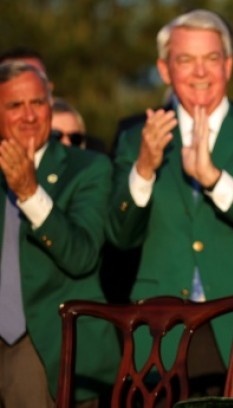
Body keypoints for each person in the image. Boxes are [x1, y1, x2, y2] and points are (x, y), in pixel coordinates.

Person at [106, 9, 233, 396]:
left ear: (228, 65)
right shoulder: (135, 138)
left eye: (211, 58)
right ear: (164, 69)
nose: (199, 72)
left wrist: (213, 179)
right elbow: (119, 237)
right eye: (185, 60)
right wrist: (143, 169)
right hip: (161, 332)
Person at [0, 61, 117, 408]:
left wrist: (30, 193)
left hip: (48, 348)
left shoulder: (88, 168)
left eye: (37, 103)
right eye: (14, 105)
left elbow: (81, 256)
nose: (29, 116)